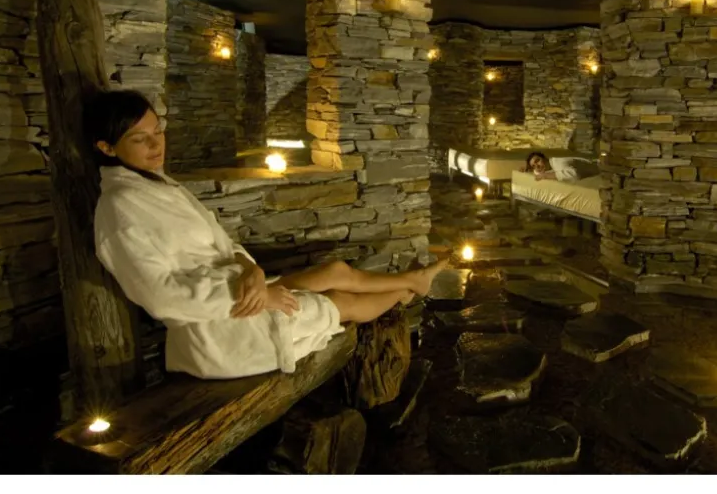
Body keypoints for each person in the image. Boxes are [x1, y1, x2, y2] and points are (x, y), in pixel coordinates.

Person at [84, 89, 447, 381]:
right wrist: (259, 298)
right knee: (339, 300)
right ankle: (404, 293)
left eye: (158, 131)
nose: (156, 145)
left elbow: (222, 243)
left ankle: (413, 280)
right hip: (224, 334)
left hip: (241, 290)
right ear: (106, 148)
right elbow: (162, 297)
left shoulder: (157, 185)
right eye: (140, 139)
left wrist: (251, 270)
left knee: (335, 270)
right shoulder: (120, 212)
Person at [519, 151, 596, 182]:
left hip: (599, 167)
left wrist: (545, 175)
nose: (537, 166)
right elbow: (536, 172)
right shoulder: (546, 167)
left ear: (545, 158)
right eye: (533, 166)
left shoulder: (558, 162)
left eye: (537, 161)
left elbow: (575, 175)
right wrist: (527, 169)